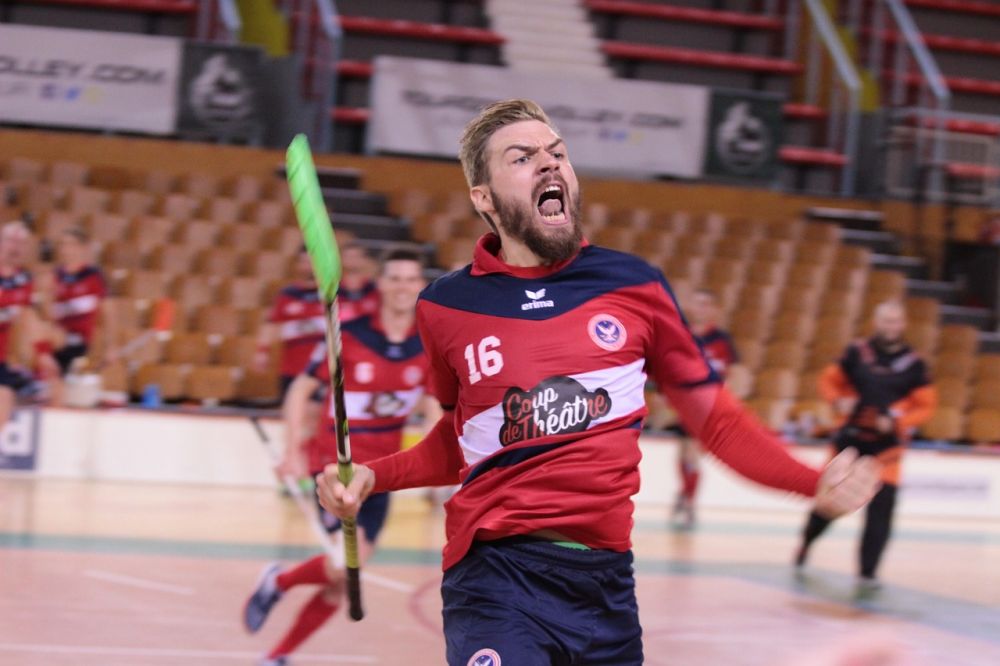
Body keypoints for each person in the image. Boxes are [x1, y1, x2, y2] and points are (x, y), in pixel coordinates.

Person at [317, 99, 881, 665]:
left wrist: (812, 483)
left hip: (606, 587)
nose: (549, 163)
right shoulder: (446, 307)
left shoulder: (634, 285)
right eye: (522, 157)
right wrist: (375, 475)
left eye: (557, 153)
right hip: (497, 577)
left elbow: (716, 421)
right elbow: (464, 439)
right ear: (483, 198)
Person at [243, 249, 439, 666]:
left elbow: (433, 409)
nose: (403, 287)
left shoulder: (429, 344)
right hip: (336, 464)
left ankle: (277, 642)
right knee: (342, 566)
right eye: (395, 278)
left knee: (340, 580)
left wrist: (434, 464)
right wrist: (292, 451)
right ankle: (279, 592)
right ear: (380, 283)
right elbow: (300, 389)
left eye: (411, 279)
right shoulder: (347, 334)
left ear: (421, 286)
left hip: (382, 474)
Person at [795, 300, 937, 591]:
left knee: (881, 512)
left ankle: (867, 574)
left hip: (886, 452)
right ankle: (806, 543)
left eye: (895, 321)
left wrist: (898, 422)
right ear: (876, 322)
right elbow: (828, 381)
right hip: (848, 445)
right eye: (886, 320)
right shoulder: (856, 352)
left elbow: (926, 407)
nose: (890, 326)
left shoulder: (915, 364)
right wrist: (837, 401)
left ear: (903, 324)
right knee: (829, 505)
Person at [256, 242, 379, 399]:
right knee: (292, 405)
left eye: (311, 262)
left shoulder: (338, 292)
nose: (308, 267)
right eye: (303, 262)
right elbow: (272, 324)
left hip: (325, 368)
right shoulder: (289, 294)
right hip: (293, 366)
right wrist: (263, 351)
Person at [671, 288, 738, 528]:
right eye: (697, 303)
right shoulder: (680, 334)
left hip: (708, 405)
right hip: (684, 401)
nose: (701, 308)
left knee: (690, 453)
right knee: (684, 454)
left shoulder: (721, 339)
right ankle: (686, 494)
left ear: (713, 310)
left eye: (706, 304)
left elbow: (733, 372)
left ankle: (689, 502)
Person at [0, 220, 56, 427]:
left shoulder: (24, 280)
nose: (15, 248)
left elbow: (28, 317)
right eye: (11, 241)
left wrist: (43, 353)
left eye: (21, 243)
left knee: (5, 398)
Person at [48, 228, 114, 375]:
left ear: (82, 247)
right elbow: (48, 314)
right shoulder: (55, 276)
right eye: (63, 244)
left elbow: (108, 313)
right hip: (56, 344)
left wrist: (110, 347)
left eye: (71, 244)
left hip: (81, 345)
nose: (66, 249)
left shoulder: (94, 275)